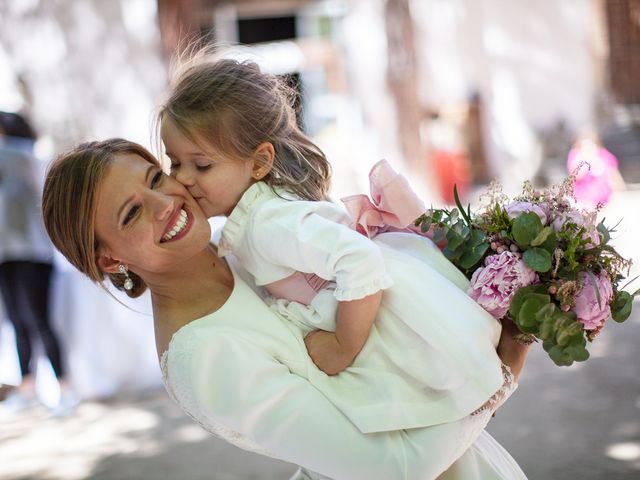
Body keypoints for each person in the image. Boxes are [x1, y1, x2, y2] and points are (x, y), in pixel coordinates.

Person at [43, 139, 529, 479]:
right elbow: (394, 469)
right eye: (131, 213)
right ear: (108, 258)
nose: (165, 202)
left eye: (155, 178)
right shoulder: (205, 357)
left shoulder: (238, 245)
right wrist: (502, 369)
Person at [158, 57, 517, 434]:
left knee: (421, 422)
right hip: (363, 310)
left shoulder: (267, 223)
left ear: (260, 161)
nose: (182, 179)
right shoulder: (256, 216)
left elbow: (358, 258)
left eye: (201, 166)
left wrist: (343, 345)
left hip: (374, 322)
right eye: (174, 163)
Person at [0, 111, 76, 416]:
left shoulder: (27, 160)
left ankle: (65, 388)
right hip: (4, 255)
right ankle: (28, 387)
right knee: (18, 322)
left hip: (33, 253)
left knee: (39, 321)